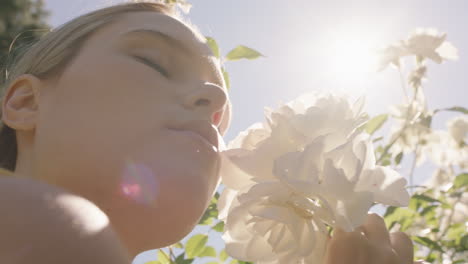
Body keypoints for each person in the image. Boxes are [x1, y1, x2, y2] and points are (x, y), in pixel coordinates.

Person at [0, 2, 419, 263]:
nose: (215, 97)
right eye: (154, 63)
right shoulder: (39, 223)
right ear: (25, 103)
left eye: (222, 117)